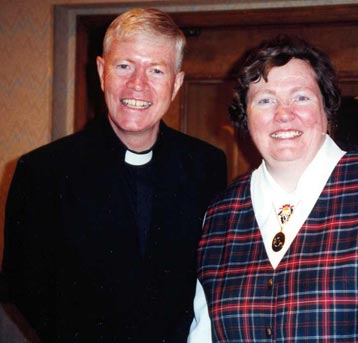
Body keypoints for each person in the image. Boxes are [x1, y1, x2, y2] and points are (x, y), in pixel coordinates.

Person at [188, 35, 358, 342]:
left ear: (326, 110)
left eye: (300, 97)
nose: (283, 114)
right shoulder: (219, 214)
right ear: (246, 118)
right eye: (265, 99)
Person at [2, 7, 226, 343]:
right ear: (101, 70)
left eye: (156, 70)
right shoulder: (43, 171)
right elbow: (24, 285)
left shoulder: (207, 166)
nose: (137, 85)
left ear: (176, 83)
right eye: (124, 66)